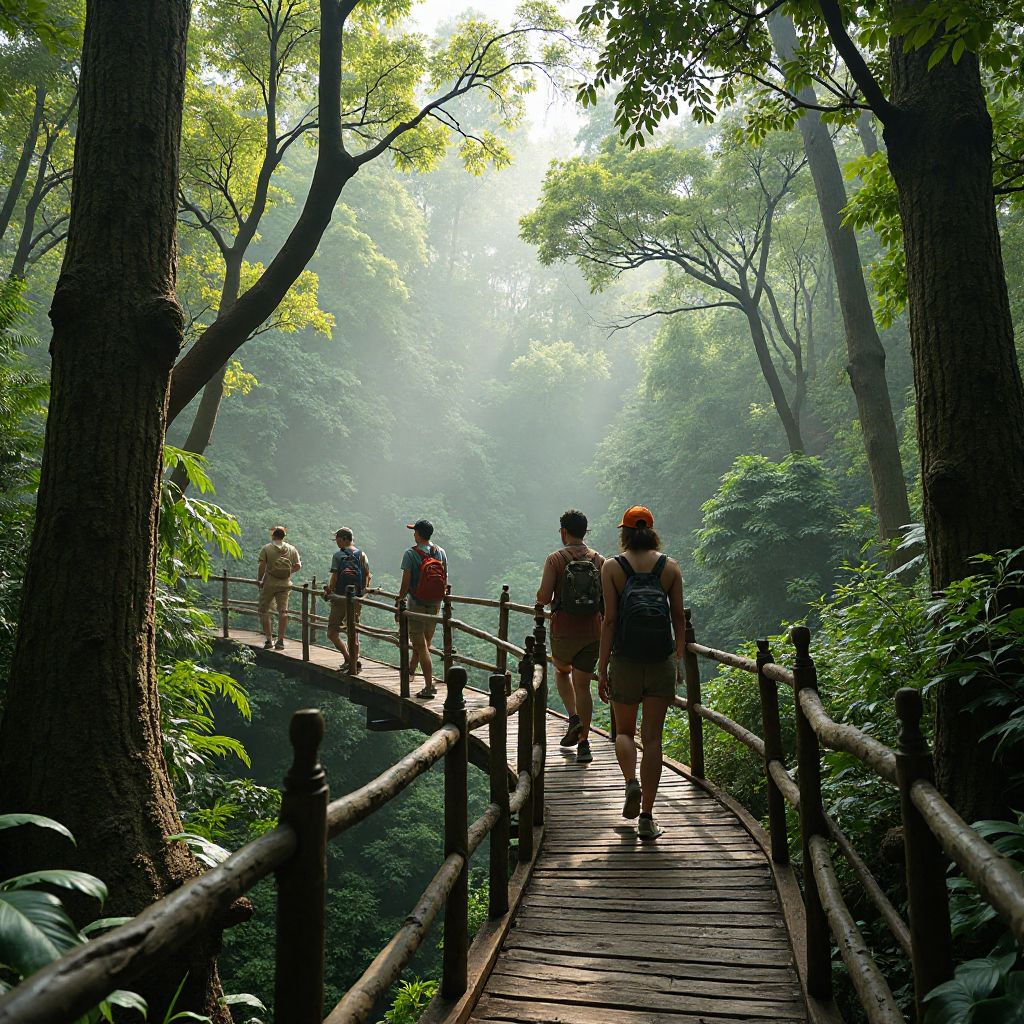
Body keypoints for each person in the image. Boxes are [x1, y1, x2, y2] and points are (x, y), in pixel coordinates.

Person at [597, 505, 685, 839]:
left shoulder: (611, 567)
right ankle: (647, 818)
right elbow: (677, 617)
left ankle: (630, 782)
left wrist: (603, 667)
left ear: (625, 532)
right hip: (660, 659)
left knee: (623, 732)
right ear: (651, 530)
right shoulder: (670, 567)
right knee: (653, 739)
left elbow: (610, 621)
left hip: (626, 659)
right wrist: (676, 659)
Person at [537, 509, 604, 764]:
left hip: (563, 632)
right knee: (584, 686)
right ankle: (584, 744)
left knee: (562, 671)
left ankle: (573, 718)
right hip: (592, 632)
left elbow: (543, 597)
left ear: (564, 532)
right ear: (585, 531)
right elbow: (605, 601)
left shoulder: (555, 559)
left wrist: (541, 596)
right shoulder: (600, 560)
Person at [396, 518, 448, 700]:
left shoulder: (410, 554)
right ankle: (411, 670)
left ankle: (428, 687)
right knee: (425, 642)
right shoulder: (440, 552)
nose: (413, 534)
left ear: (418, 534)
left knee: (421, 645)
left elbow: (406, 582)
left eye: (414, 531)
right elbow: (445, 578)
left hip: (416, 603)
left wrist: (399, 599)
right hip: (435, 602)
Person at [324, 527, 371, 675]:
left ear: (344, 538)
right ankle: (352, 662)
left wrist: (329, 590)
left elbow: (335, 577)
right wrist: (363, 593)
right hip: (356, 598)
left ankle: (348, 659)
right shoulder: (362, 555)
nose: (336, 542)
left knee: (332, 632)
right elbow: (368, 575)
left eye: (337, 539)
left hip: (340, 598)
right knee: (353, 631)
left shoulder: (338, 556)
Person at [257, 526, 301, 649]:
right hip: (285, 584)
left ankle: (269, 640)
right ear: (283, 537)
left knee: (264, 611)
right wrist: (288, 572)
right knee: (283, 611)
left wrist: (260, 580)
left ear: (273, 536)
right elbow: (298, 565)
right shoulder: (292, 549)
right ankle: (280, 641)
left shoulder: (266, 548)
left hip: (270, 583)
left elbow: (262, 566)